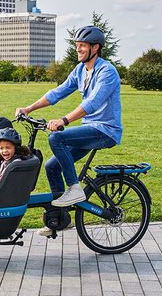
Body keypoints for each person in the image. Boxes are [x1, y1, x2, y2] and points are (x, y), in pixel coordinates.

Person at [15, 26, 122, 237]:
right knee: (51, 166)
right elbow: (58, 92)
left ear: (95, 48)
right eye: (77, 46)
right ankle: (59, 219)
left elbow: (93, 103)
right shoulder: (81, 70)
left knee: (57, 138)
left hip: (106, 130)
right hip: (89, 128)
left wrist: (64, 120)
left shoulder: (107, 71)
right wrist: (29, 108)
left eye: (82, 46)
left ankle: (74, 188)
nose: (78, 50)